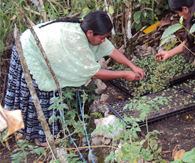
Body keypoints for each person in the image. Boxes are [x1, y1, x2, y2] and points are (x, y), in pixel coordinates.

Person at [4, 10, 146, 146]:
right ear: (90, 33)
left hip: (36, 43)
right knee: (38, 95)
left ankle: (31, 132)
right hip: (28, 48)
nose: (104, 41)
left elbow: (110, 49)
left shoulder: (86, 29)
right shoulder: (76, 40)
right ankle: (39, 138)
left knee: (46, 96)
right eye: (102, 37)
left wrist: (132, 66)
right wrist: (124, 74)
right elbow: (94, 72)